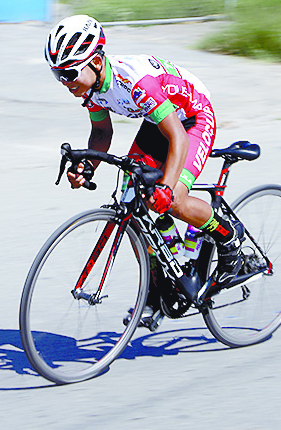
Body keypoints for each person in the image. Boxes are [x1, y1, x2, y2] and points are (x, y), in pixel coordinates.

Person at [45, 14, 244, 283]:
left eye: (68, 73)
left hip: (192, 120)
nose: (65, 82)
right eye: (58, 74)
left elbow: (179, 139)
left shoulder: (134, 83)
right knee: (131, 193)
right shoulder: (91, 88)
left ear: (94, 61)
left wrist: (166, 187)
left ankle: (228, 237)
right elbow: (102, 132)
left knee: (171, 199)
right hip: (158, 120)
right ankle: (164, 275)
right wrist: (88, 167)